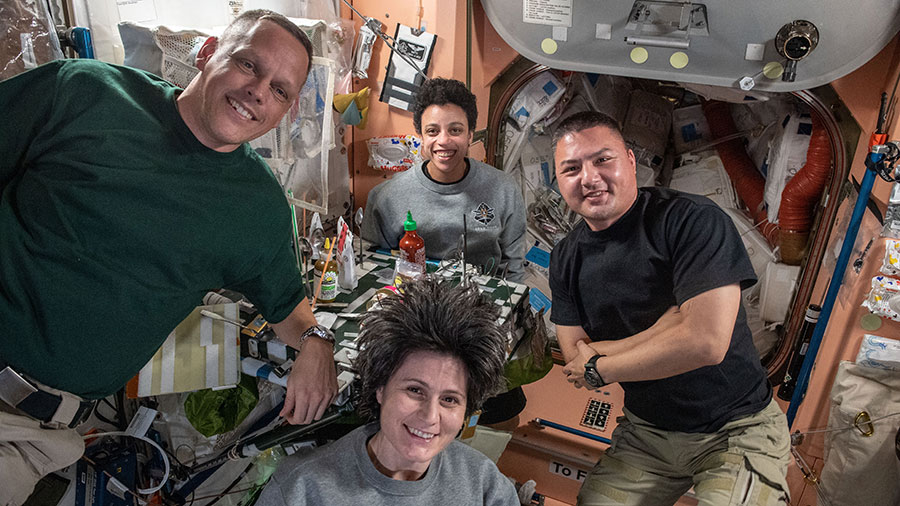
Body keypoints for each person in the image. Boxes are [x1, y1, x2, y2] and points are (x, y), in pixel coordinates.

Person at [0, 10, 337, 503]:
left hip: (28, 431)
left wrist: (318, 341)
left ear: (284, 111)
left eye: (281, 90)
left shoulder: (257, 208)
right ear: (206, 54)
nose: (259, 90)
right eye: (247, 64)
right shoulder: (85, 92)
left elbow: (287, 305)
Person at [549, 111, 791, 505]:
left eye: (602, 160)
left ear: (630, 160)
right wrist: (668, 326)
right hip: (648, 434)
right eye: (571, 168)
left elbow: (705, 343)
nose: (589, 177)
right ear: (560, 181)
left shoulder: (691, 221)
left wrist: (602, 365)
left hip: (736, 428)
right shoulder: (565, 257)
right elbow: (577, 356)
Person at [255, 277, 519, 506]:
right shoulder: (301, 490)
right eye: (415, 390)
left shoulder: (486, 488)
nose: (429, 416)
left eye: (449, 399)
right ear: (380, 388)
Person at [361, 77, 527, 283]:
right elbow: (376, 268)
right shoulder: (386, 198)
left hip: (484, 302)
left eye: (455, 130)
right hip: (412, 302)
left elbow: (514, 270)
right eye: (432, 131)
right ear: (421, 136)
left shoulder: (504, 189)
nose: (443, 141)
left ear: (470, 135)